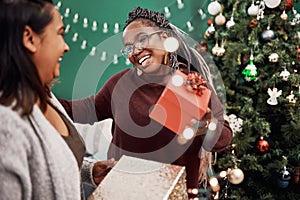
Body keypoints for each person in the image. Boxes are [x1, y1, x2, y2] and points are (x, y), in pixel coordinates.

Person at [59, 7, 233, 198]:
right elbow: (79, 110)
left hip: (174, 194)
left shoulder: (191, 85)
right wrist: (37, 94)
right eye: (129, 47)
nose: (136, 51)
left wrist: (206, 125)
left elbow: (224, 139)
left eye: (142, 39)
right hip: (122, 192)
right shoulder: (120, 84)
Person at [0, 0, 115, 199]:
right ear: (29, 38)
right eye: (60, 34)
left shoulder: (45, 95)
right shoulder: (6, 124)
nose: (66, 47)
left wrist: (90, 170)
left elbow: (47, 165)